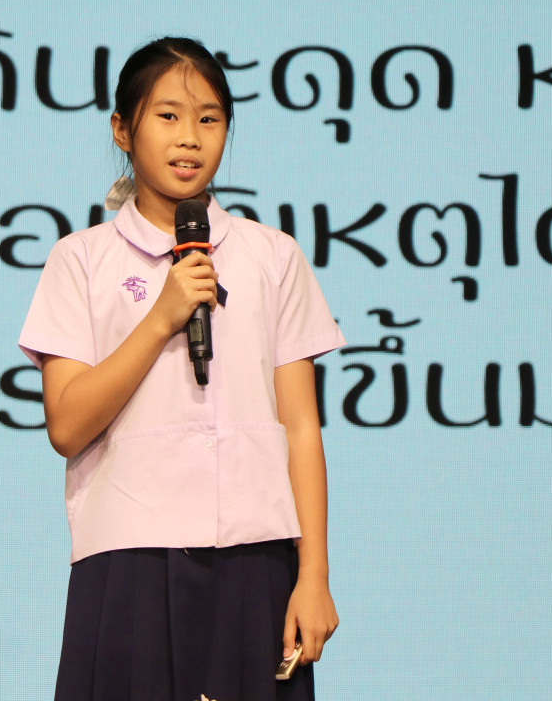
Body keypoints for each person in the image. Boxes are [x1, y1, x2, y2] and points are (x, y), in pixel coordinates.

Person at [19, 36, 344, 701]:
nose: (190, 137)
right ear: (122, 129)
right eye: (167, 116)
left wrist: (313, 576)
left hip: (257, 561)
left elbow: (302, 428)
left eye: (209, 118)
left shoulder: (272, 256)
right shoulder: (81, 260)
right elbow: (67, 426)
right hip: (128, 562)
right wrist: (161, 317)